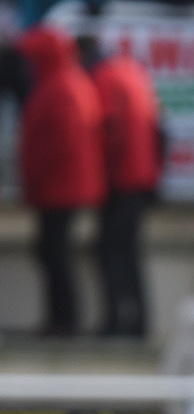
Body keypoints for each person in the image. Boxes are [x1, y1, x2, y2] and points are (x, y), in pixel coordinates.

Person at [16, 23, 106, 337]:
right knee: (52, 252)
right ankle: (60, 319)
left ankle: (64, 321)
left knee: (55, 253)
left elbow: (61, 142)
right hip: (59, 186)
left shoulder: (61, 85)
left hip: (59, 188)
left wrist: (35, 176)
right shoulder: (63, 81)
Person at [84, 35, 164, 337]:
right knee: (129, 251)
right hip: (142, 177)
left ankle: (118, 322)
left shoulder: (103, 78)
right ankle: (139, 321)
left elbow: (110, 132)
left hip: (120, 179)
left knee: (111, 251)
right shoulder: (132, 71)